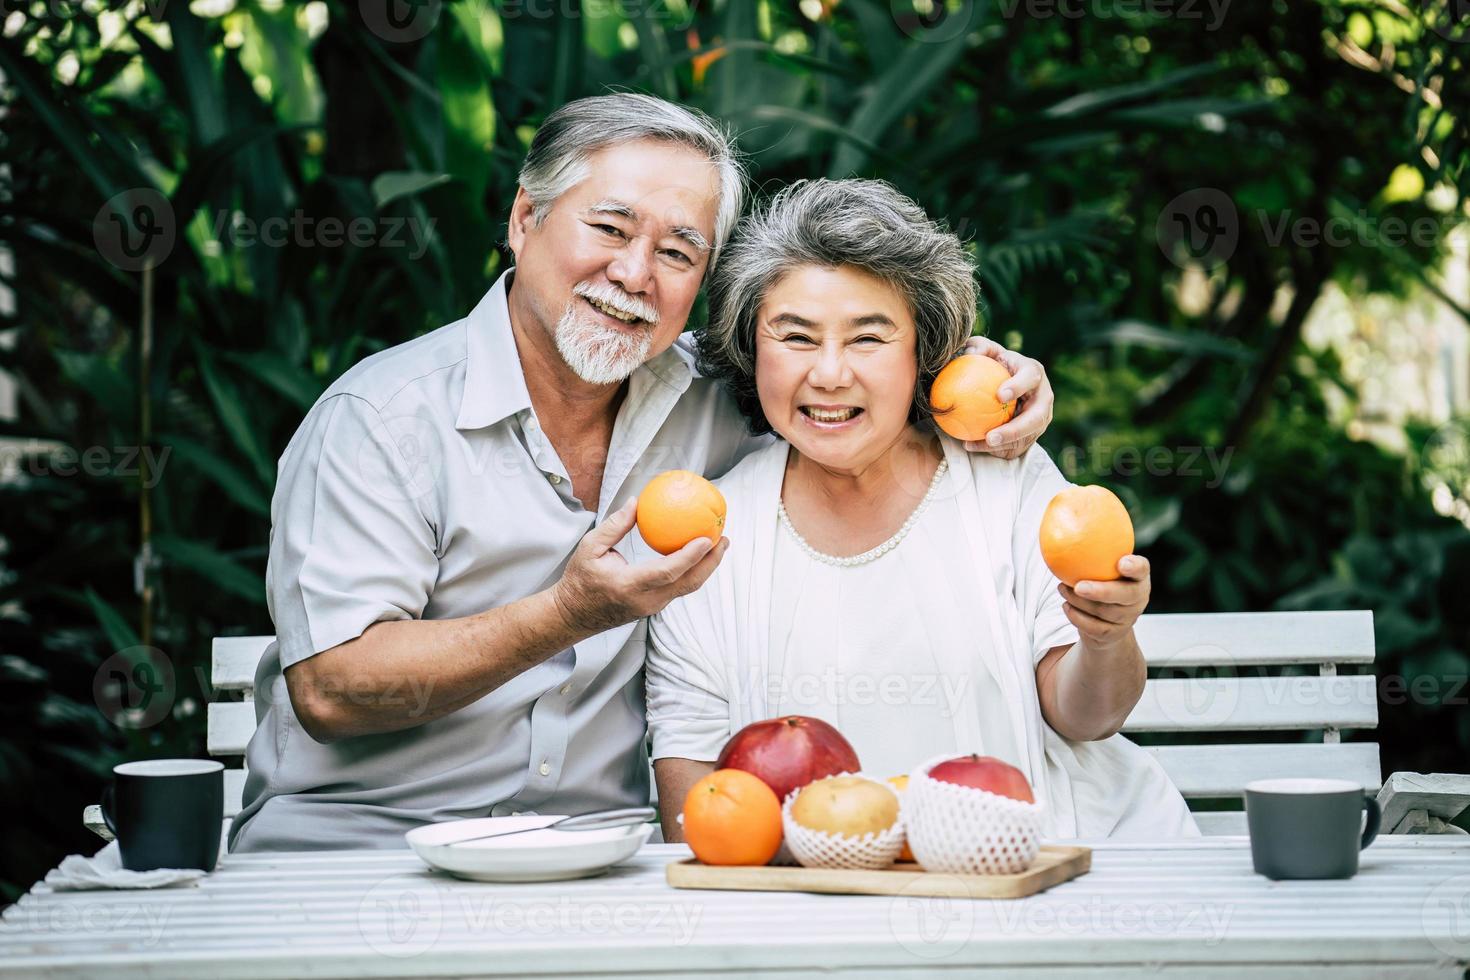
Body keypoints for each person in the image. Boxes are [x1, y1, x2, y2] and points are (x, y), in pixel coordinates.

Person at [229, 94, 1055, 851]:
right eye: (610, 228)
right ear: (524, 219)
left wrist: (983, 380)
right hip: (361, 850)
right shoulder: (382, 421)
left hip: (598, 859)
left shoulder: (721, 396)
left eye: (678, 250)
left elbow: (843, 383)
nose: (635, 273)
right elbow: (331, 692)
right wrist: (566, 614)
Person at [646, 179, 1197, 839]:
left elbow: (1087, 717)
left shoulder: (1006, 480)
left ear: (922, 354)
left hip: (1062, 870)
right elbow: (696, 811)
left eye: (868, 338)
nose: (828, 374)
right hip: (832, 908)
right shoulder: (708, 537)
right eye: (796, 337)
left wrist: (1106, 636)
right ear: (752, 348)